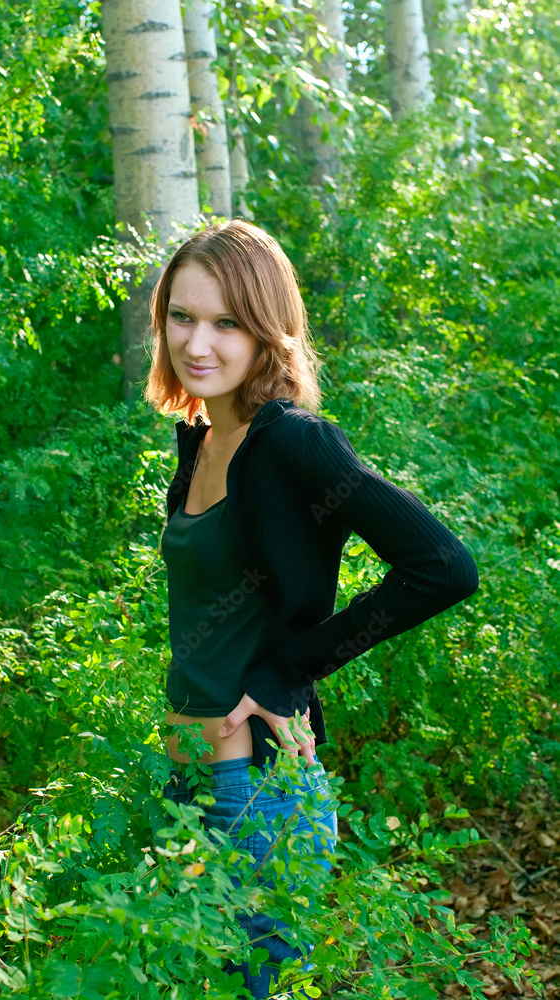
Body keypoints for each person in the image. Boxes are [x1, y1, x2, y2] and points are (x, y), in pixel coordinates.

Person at [144, 219, 479, 997]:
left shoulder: (293, 441)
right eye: (182, 316)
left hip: (253, 796)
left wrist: (288, 672)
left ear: (267, 331)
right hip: (187, 784)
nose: (198, 342)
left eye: (227, 323)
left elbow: (442, 568)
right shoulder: (200, 439)